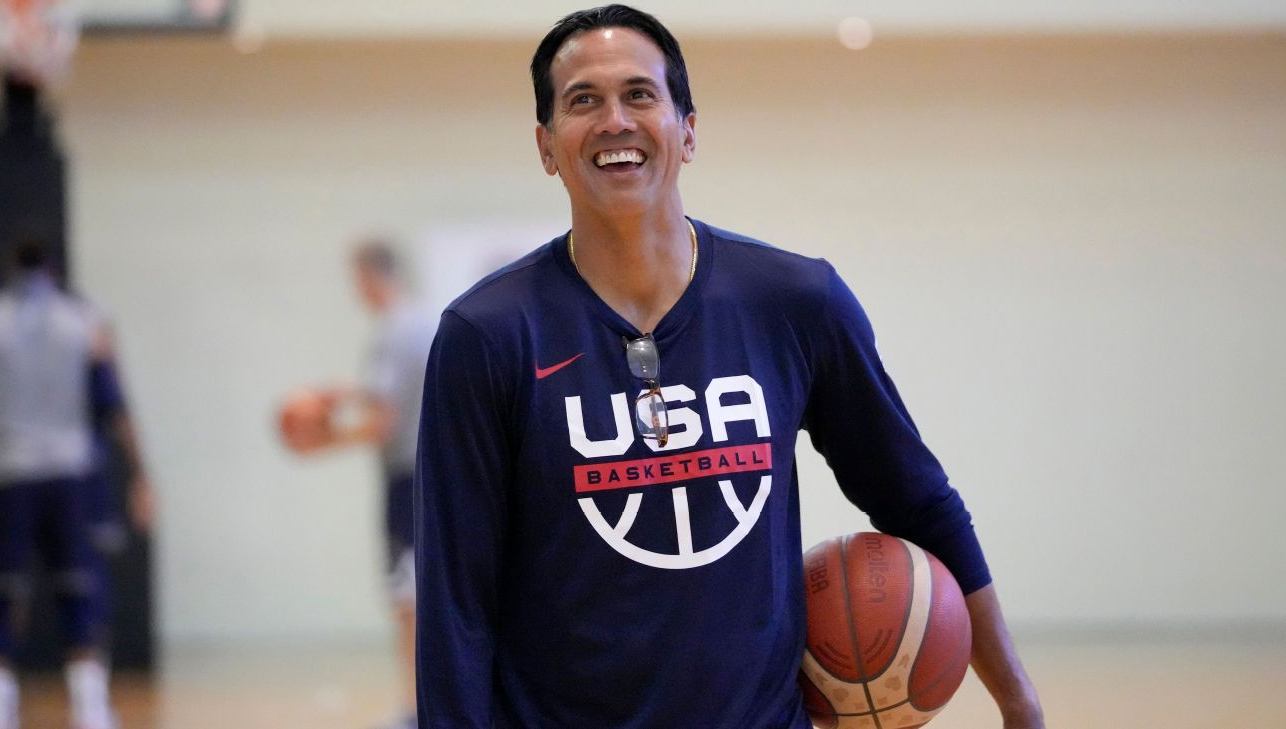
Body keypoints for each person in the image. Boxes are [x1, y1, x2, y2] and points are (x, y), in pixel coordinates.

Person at [417, 5, 1048, 729]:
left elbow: (918, 500)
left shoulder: (796, 301)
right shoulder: (487, 335)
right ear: (546, 145)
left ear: (687, 130)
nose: (615, 120)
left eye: (640, 94)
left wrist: (1018, 699)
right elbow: (455, 599)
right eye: (583, 100)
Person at [283, 239, 435, 729]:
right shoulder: (428, 322)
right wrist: (347, 394)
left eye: (357, 279)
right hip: (435, 475)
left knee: (408, 599)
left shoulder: (391, 332)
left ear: (371, 276)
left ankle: (417, 709)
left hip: (407, 481)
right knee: (429, 594)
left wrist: (322, 441)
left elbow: (383, 421)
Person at [0, 237, 121, 729]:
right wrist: (140, 473)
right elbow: (112, 402)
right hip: (67, 473)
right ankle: (91, 707)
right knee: (78, 589)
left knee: (3, 591)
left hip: (9, 472)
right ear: (55, 268)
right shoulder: (84, 319)